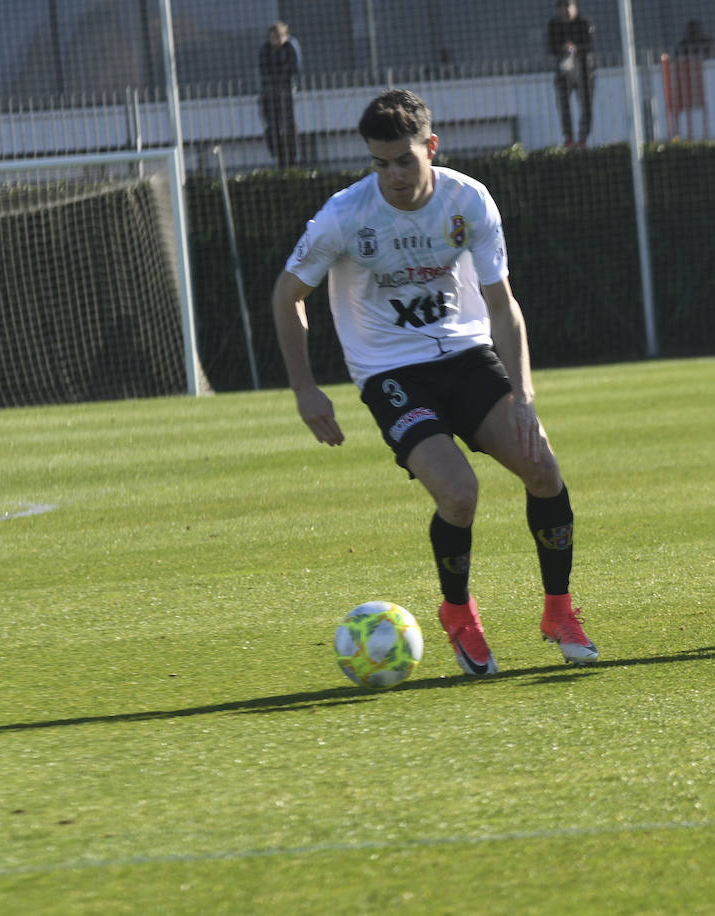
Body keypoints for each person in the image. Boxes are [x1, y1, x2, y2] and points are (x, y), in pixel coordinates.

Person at [271, 88, 598, 675]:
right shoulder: (345, 215)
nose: (392, 176)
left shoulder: (467, 200)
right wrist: (304, 388)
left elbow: (503, 305)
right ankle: (458, 613)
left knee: (543, 469)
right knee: (458, 493)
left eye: (404, 160)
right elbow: (286, 295)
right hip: (391, 372)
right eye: (380, 163)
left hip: (466, 354)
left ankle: (559, 610)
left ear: (431, 147)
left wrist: (523, 397)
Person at [546, 0, 596, 148]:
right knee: (563, 105)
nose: (565, 10)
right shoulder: (553, 26)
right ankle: (568, 138)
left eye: (568, 6)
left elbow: (590, 45)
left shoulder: (584, 23)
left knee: (586, 105)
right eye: (561, 7)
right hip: (563, 71)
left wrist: (575, 49)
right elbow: (550, 48)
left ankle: (582, 139)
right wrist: (563, 49)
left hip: (584, 70)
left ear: (575, 8)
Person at [258, 21, 301, 168]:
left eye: (278, 37)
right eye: (273, 38)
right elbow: (263, 70)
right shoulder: (265, 50)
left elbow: (295, 68)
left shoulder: (290, 48)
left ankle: (292, 157)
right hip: (270, 93)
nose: (275, 41)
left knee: (288, 124)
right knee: (272, 125)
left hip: (285, 91)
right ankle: (278, 155)